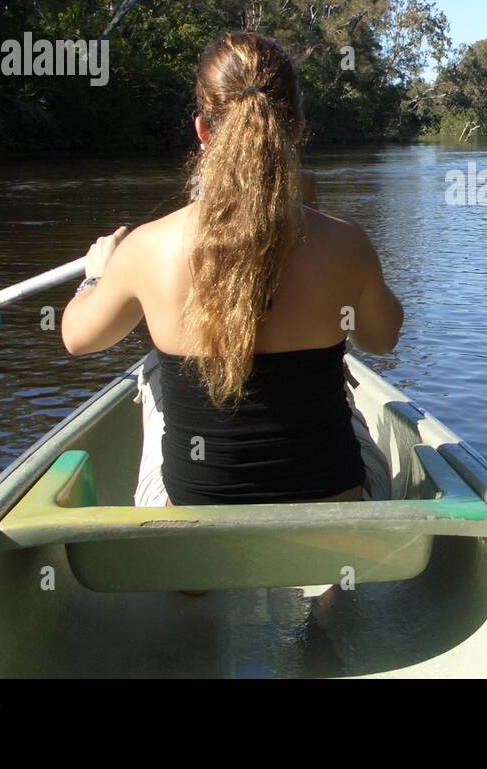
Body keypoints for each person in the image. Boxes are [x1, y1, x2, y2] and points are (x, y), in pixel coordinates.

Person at [61, 31, 403, 513]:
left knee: (155, 369)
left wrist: (97, 275)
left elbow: (78, 339)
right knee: (340, 376)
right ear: (298, 128)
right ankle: (327, 585)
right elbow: (382, 337)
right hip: (336, 522)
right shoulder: (347, 243)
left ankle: (192, 583)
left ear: (202, 130)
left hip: (194, 535)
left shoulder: (145, 248)